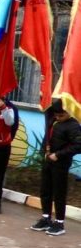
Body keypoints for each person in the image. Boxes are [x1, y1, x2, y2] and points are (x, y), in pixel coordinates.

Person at [32, 100, 81, 236]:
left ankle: (59, 222)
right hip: (47, 160)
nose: (58, 118)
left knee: (59, 193)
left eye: (61, 116)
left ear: (68, 112)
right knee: (45, 190)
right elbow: (47, 106)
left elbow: (78, 145)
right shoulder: (53, 119)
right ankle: (46, 217)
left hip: (60, 162)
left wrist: (58, 155)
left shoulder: (73, 126)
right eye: (56, 115)